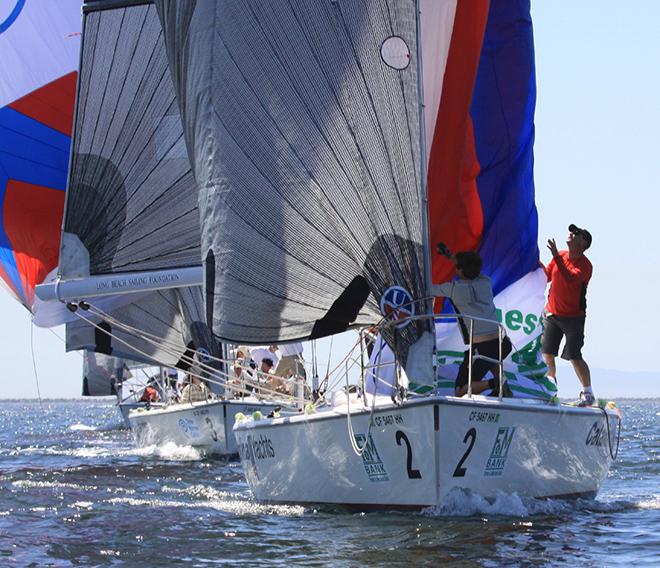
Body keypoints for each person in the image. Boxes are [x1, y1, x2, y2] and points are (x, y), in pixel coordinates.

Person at [431, 244, 512, 397]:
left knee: (460, 390)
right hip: (502, 343)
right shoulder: (485, 282)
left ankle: (495, 384)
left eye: (456, 268)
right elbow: (470, 267)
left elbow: (428, 288)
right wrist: (450, 257)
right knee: (492, 359)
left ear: (460, 270)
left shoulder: (453, 289)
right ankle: (503, 385)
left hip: (482, 347)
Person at [540, 224, 594, 406]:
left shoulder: (586, 266)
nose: (571, 234)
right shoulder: (560, 256)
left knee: (574, 356)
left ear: (584, 242)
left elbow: (571, 278)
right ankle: (551, 390)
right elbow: (546, 275)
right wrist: (534, 262)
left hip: (574, 318)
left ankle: (588, 393)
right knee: (547, 353)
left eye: (576, 233)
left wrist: (555, 255)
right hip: (553, 314)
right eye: (571, 231)